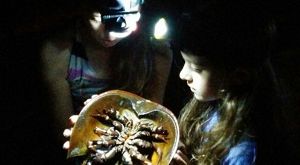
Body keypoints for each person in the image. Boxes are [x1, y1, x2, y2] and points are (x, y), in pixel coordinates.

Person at [40, 0, 172, 146]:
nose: (109, 35)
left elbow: (153, 119)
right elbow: (64, 132)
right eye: (97, 19)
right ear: (84, 9)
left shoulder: (156, 52)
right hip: (87, 145)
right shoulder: (58, 52)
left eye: (121, 20)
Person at [170, 0, 286, 164]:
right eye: (184, 62)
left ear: (238, 76)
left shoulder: (243, 153)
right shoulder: (213, 101)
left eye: (196, 68)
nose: (183, 74)